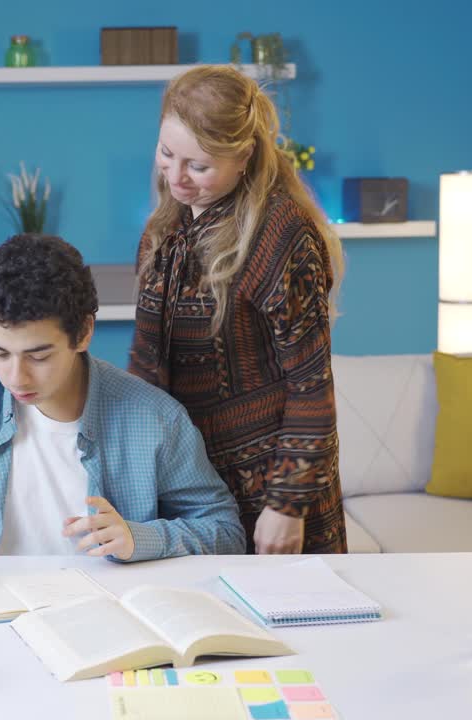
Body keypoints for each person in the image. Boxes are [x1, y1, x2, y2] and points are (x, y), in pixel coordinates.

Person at [0, 234, 245, 599]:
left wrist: (139, 538)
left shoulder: (156, 417)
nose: (16, 377)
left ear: (83, 332)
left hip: (104, 611)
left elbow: (225, 531)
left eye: (38, 356)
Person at [128, 65, 348, 556]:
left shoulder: (281, 234)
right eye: (167, 154)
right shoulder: (162, 230)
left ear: (244, 156)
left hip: (271, 489)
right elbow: (144, 363)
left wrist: (287, 506)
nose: (176, 178)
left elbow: (311, 384)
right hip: (189, 484)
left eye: (199, 166)